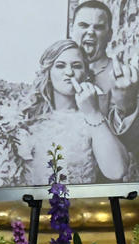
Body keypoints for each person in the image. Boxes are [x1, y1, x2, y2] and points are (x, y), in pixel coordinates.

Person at [13, 39, 129, 186]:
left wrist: (92, 112)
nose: (69, 72)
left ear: (86, 73)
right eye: (60, 66)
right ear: (48, 73)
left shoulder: (96, 117)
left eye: (76, 66)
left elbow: (117, 171)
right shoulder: (27, 118)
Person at [69, 0, 139, 181]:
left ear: (110, 34)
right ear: (72, 29)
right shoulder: (59, 72)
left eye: (98, 27)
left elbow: (138, 143)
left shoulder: (126, 77)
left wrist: (127, 106)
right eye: (83, 25)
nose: (90, 31)